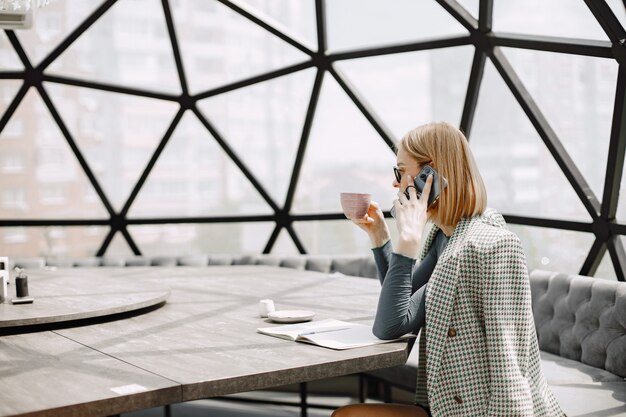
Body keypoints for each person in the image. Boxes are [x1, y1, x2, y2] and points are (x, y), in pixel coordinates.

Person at [332, 122, 565, 417]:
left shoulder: (492, 245)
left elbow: (509, 360)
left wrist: (409, 238)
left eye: (401, 171)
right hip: (447, 406)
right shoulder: (444, 237)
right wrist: (380, 237)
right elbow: (400, 307)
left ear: (434, 176)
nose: (395, 183)